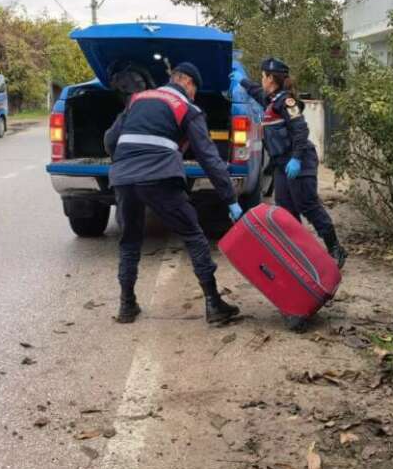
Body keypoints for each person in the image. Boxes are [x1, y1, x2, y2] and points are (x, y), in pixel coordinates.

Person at [104, 63, 243, 325]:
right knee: (193, 235)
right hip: (160, 177)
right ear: (187, 82)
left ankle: (126, 305)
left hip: (123, 178)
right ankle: (214, 304)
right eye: (195, 89)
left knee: (130, 240)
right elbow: (209, 158)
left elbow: (110, 140)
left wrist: (126, 161)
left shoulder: (137, 99)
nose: (194, 95)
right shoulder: (187, 108)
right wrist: (230, 199)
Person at [233, 58, 347, 268]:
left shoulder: (287, 102)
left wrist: (296, 158)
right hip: (281, 163)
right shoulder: (271, 100)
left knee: (308, 205)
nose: (261, 79)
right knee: (285, 210)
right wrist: (242, 81)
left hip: (300, 160)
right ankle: (300, 253)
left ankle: (335, 248)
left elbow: (301, 130)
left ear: (270, 78)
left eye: (263, 76)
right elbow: (257, 92)